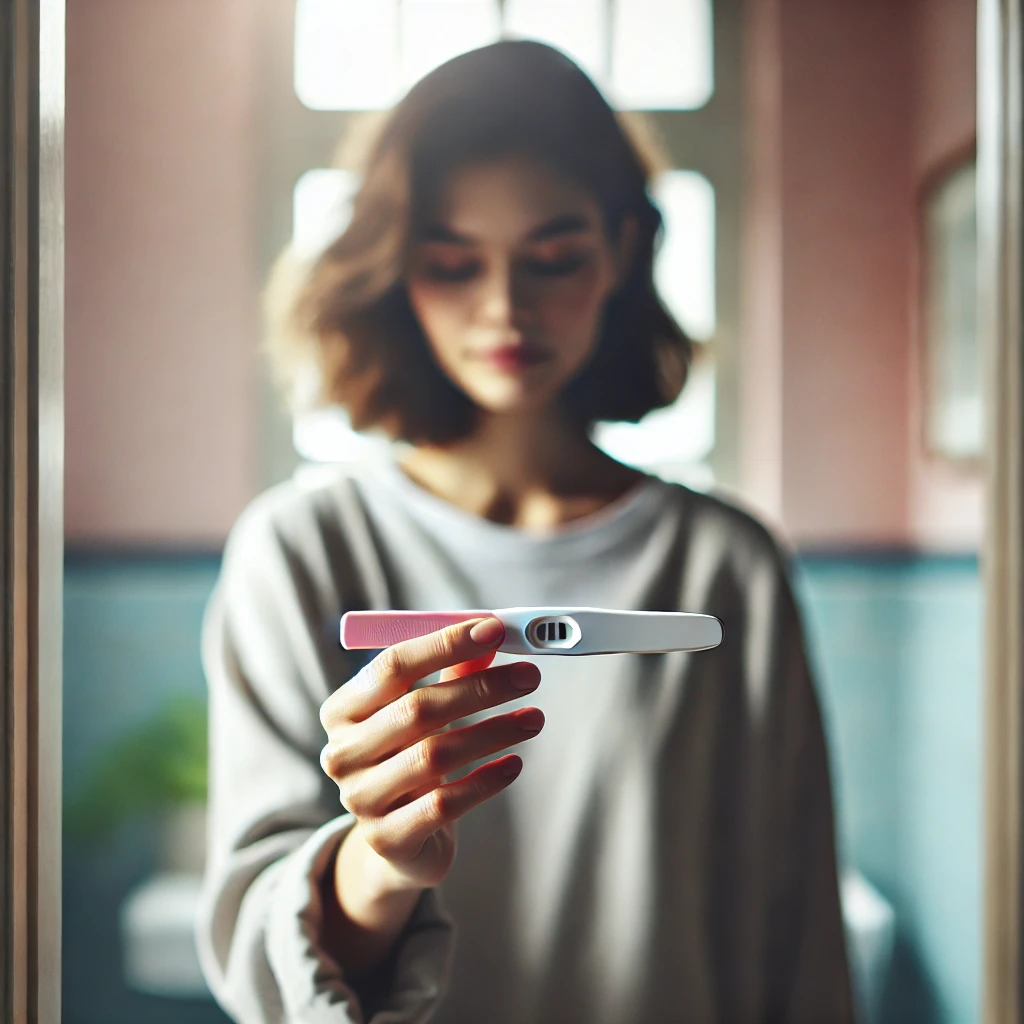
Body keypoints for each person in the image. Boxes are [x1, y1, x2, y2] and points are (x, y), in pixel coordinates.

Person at [196, 40, 854, 1024]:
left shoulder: (727, 568)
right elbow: (256, 954)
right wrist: (377, 861)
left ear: (622, 250)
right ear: (394, 271)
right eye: (453, 264)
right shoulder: (300, 553)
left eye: (552, 258)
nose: (505, 306)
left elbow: (793, 924)